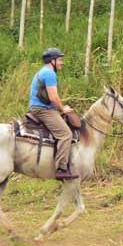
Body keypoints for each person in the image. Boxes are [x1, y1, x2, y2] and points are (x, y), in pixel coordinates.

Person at [29, 47, 77, 180]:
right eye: (60, 60)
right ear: (52, 61)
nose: (62, 62)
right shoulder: (49, 74)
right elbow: (53, 98)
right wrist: (63, 109)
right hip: (42, 109)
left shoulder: (44, 72)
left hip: (41, 107)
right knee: (65, 134)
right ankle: (61, 168)